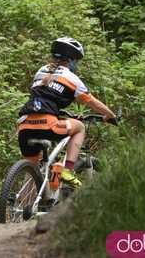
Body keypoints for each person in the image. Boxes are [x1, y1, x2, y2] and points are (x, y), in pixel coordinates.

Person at [16, 37, 116, 188]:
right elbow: (91, 102)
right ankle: (67, 170)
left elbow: (45, 96)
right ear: (71, 60)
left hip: (24, 126)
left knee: (32, 171)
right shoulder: (72, 78)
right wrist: (110, 116)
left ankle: (23, 207)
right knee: (80, 127)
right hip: (48, 124)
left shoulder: (41, 71)